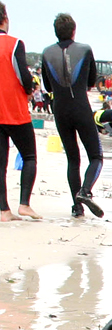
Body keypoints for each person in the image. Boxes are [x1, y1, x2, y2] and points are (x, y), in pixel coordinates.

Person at [41, 13, 104, 219]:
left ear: (55, 32)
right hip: (80, 106)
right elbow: (92, 81)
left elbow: (48, 85)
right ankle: (85, 191)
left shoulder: (46, 52)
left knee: (72, 159)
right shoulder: (85, 49)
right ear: (74, 30)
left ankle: (77, 208)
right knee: (96, 156)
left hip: (60, 109)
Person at [0, 2, 41, 222]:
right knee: (29, 156)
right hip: (14, 110)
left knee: (0, 162)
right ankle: (24, 204)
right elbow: (23, 74)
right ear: (5, 18)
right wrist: (30, 89)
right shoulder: (14, 43)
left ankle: (3, 210)